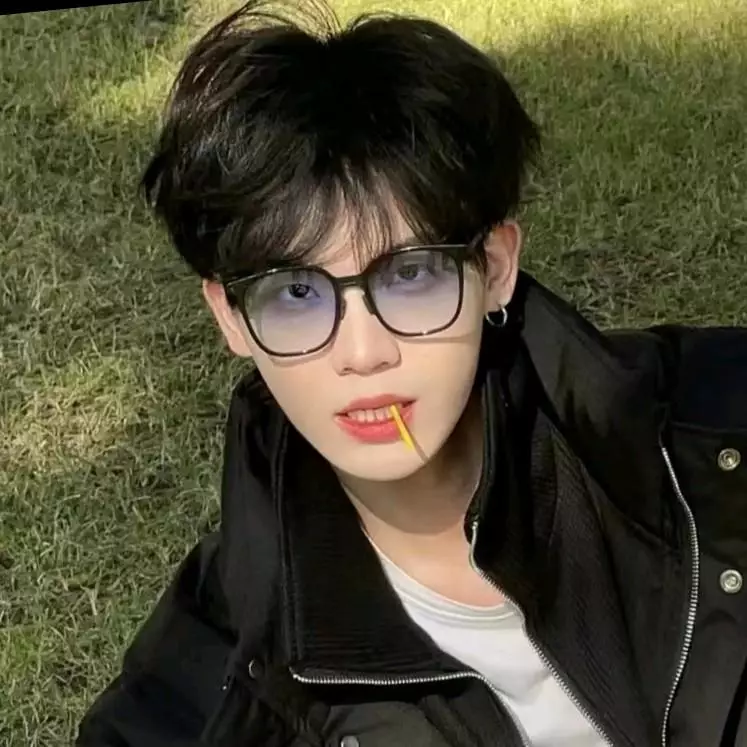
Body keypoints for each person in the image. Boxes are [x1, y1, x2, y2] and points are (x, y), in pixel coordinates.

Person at [75, 1, 747, 745]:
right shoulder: (213, 676)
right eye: (295, 293)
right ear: (231, 317)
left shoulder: (712, 439)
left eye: (409, 275)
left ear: (495, 268)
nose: (363, 353)